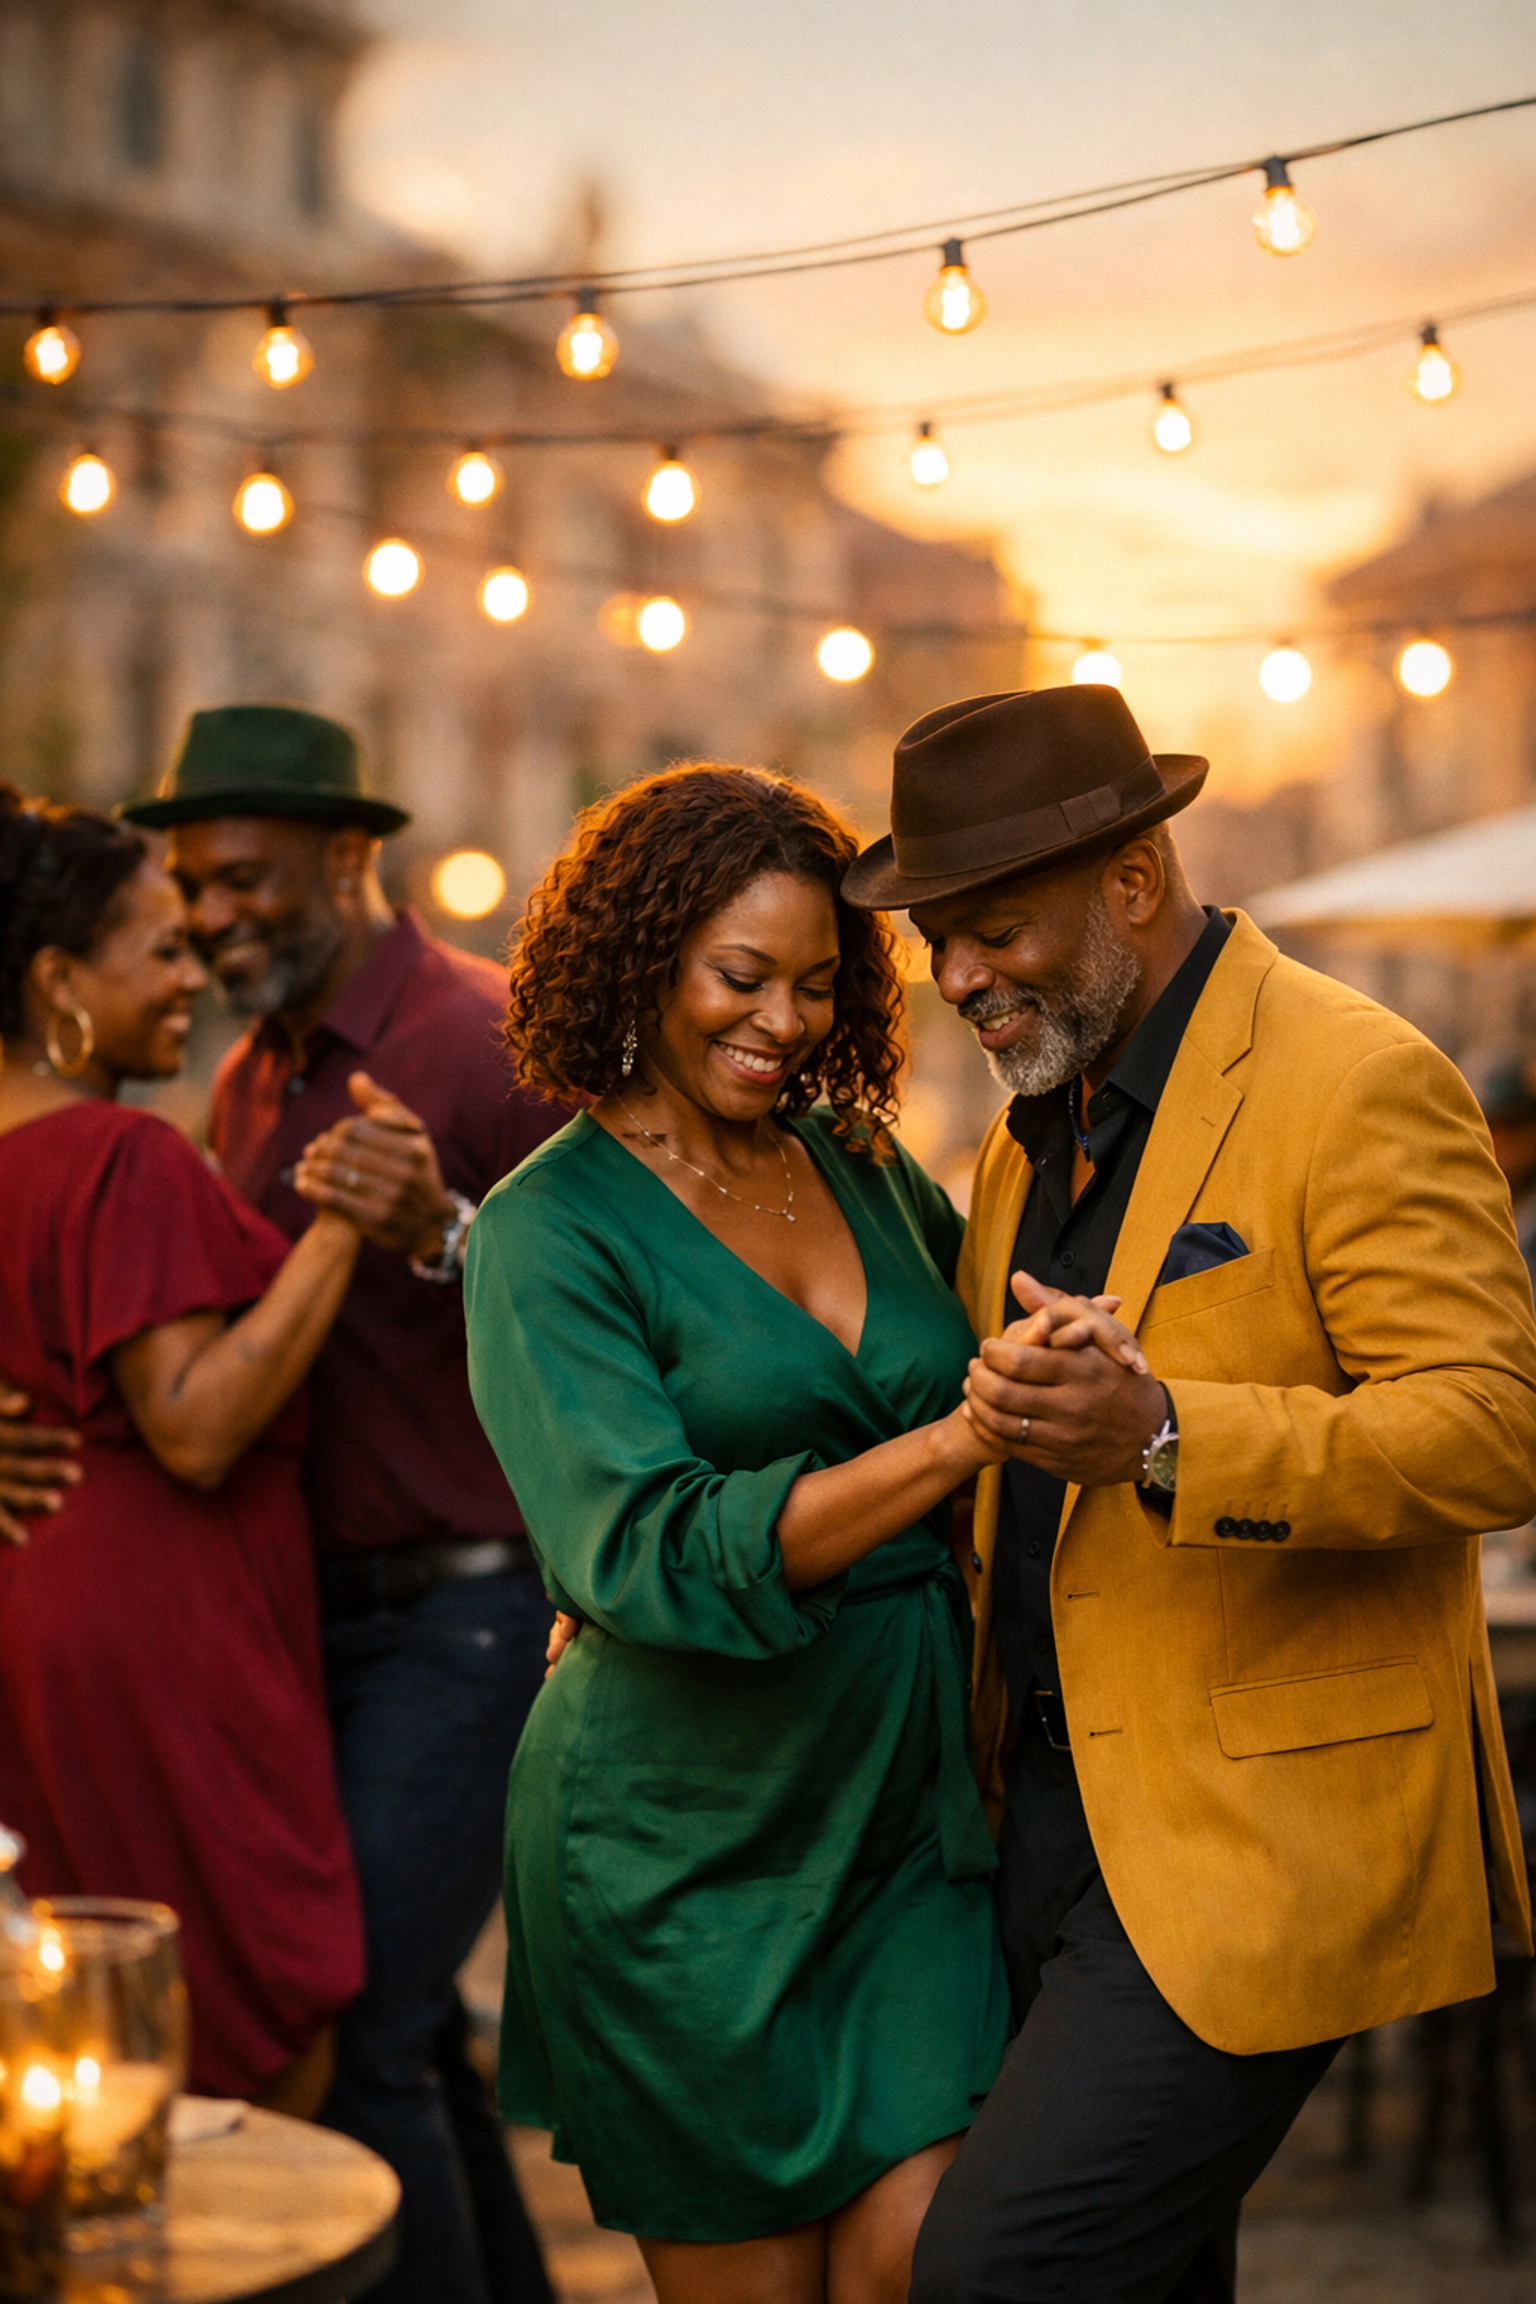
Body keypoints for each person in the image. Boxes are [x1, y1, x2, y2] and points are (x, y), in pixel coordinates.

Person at [835, 682, 1536, 2304]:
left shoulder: (1361, 1077)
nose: (957, 980)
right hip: (1043, 1819)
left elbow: (1494, 1431)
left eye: (993, 929)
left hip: (1260, 1835)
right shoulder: (1027, 1133)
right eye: (938, 941)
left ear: (1132, 884)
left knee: (993, 2274)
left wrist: (1165, 1438)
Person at [0, 707, 559, 2304]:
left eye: (242, 878)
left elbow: (625, 1287)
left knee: (366, 2019)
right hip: (307, 1625)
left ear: (348, 856)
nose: (216, 916)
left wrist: (442, 1228)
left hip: (467, 1608)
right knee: (414, 2035)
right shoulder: (239, 1079)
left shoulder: (479, 1035)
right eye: (187, 890)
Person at [463, 764, 1019, 2304]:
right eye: (742, 977)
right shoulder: (542, 1231)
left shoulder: (860, 1164)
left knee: (936, 2257)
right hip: (678, 1843)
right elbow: (644, 1546)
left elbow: (1009, 1354)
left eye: (818, 986)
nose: (783, 1021)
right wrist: (956, 1439)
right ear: (642, 961)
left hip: (904, 1807)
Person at [0, 786, 364, 2108]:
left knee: (80, 2019)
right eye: (155, 947)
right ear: (55, 983)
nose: (188, 969)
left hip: (40, 1623)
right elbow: (198, 1426)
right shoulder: (116, 1155)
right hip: (156, 1641)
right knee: (254, 2022)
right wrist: (339, 1231)